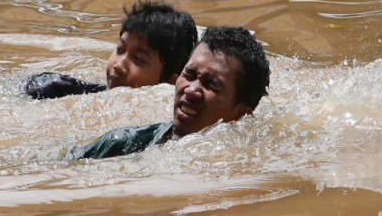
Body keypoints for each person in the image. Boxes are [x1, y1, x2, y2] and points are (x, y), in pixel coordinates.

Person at [65, 25, 270, 160]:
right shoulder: (122, 145)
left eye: (212, 84)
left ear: (241, 115)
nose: (191, 89)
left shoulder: (245, 167)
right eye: (189, 74)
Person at [26, 0, 198, 99]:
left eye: (138, 59)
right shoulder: (63, 90)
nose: (118, 65)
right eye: (119, 49)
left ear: (169, 83)